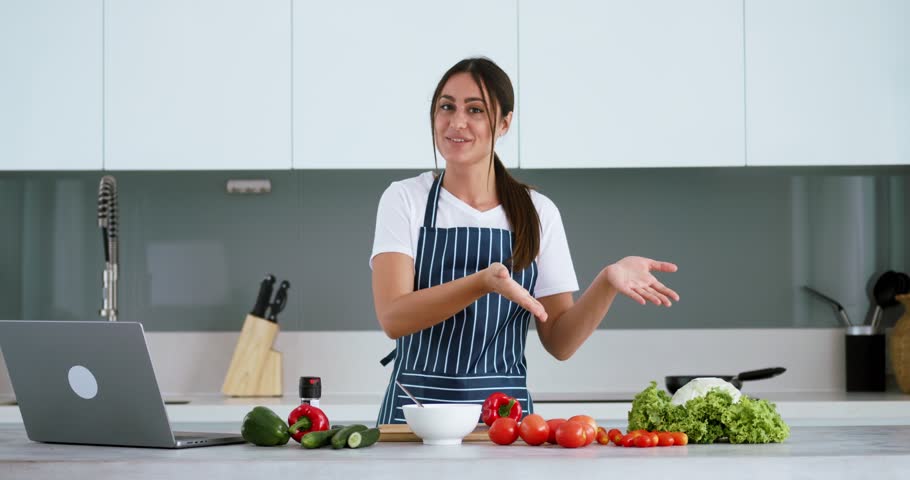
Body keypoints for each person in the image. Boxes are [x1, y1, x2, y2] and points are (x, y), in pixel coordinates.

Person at [370, 57, 679, 425]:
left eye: (475, 110)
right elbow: (393, 317)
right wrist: (482, 283)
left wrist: (607, 282)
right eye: (446, 107)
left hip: (505, 422)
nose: (457, 122)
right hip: (414, 419)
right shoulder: (405, 199)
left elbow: (559, 342)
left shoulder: (537, 212)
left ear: (504, 123)